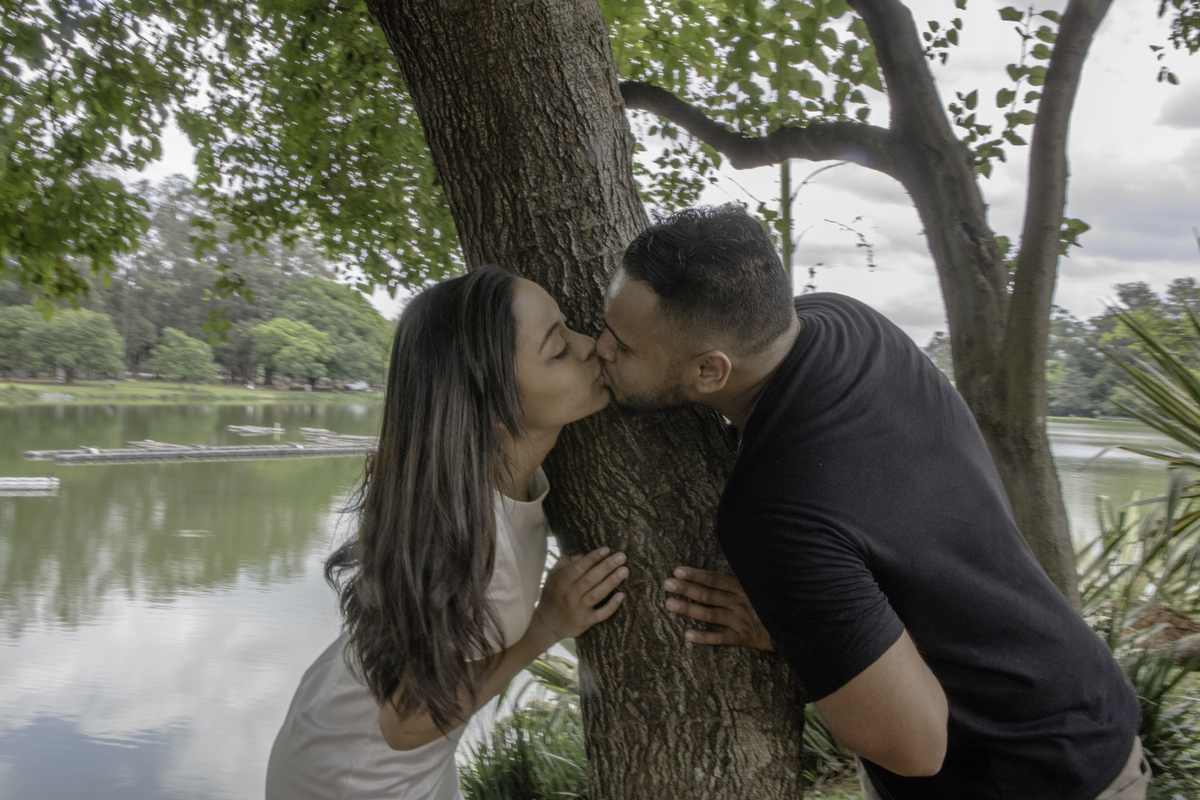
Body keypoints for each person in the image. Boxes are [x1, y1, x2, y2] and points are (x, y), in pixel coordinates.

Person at [595, 206, 1148, 800]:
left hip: (1031, 774)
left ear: (711, 370)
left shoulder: (773, 513)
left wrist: (797, 635)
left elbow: (915, 747)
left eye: (622, 346)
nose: (596, 346)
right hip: (1085, 701)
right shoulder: (846, 320)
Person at [266, 264, 629, 800]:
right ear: (494, 406)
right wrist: (545, 627)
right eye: (557, 350)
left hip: (345, 723)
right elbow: (406, 721)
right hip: (358, 777)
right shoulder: (467, 534)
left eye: (569, 327)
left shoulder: (465, 484)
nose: (590, 345)